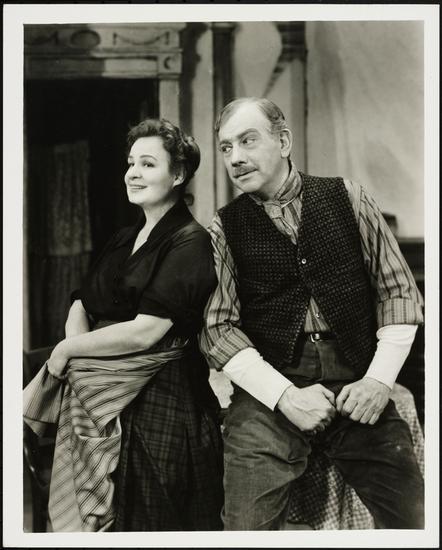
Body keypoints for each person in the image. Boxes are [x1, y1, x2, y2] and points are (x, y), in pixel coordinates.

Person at [200, 97, 424, 530]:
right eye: (226, 147)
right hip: (271, 391)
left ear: (284, 142)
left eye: (248, 141)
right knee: (246, 528)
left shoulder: (349, 196)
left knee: (415, 520)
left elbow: (398, 292)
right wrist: (285, 396)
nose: (235, 157)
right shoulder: (224, 227)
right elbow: (218, 328)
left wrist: (378, 382)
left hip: (357, 379)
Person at [24, 118, 224, 532]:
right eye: (131, 163)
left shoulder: (190, 240)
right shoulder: (123, 238)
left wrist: (68, 351)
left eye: (148, 164)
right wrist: (89, 374)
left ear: (178, 175)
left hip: (163, 401)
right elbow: (81, 302)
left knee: (149, 523)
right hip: (103, 394)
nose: (133, 173)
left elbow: (147, 330)